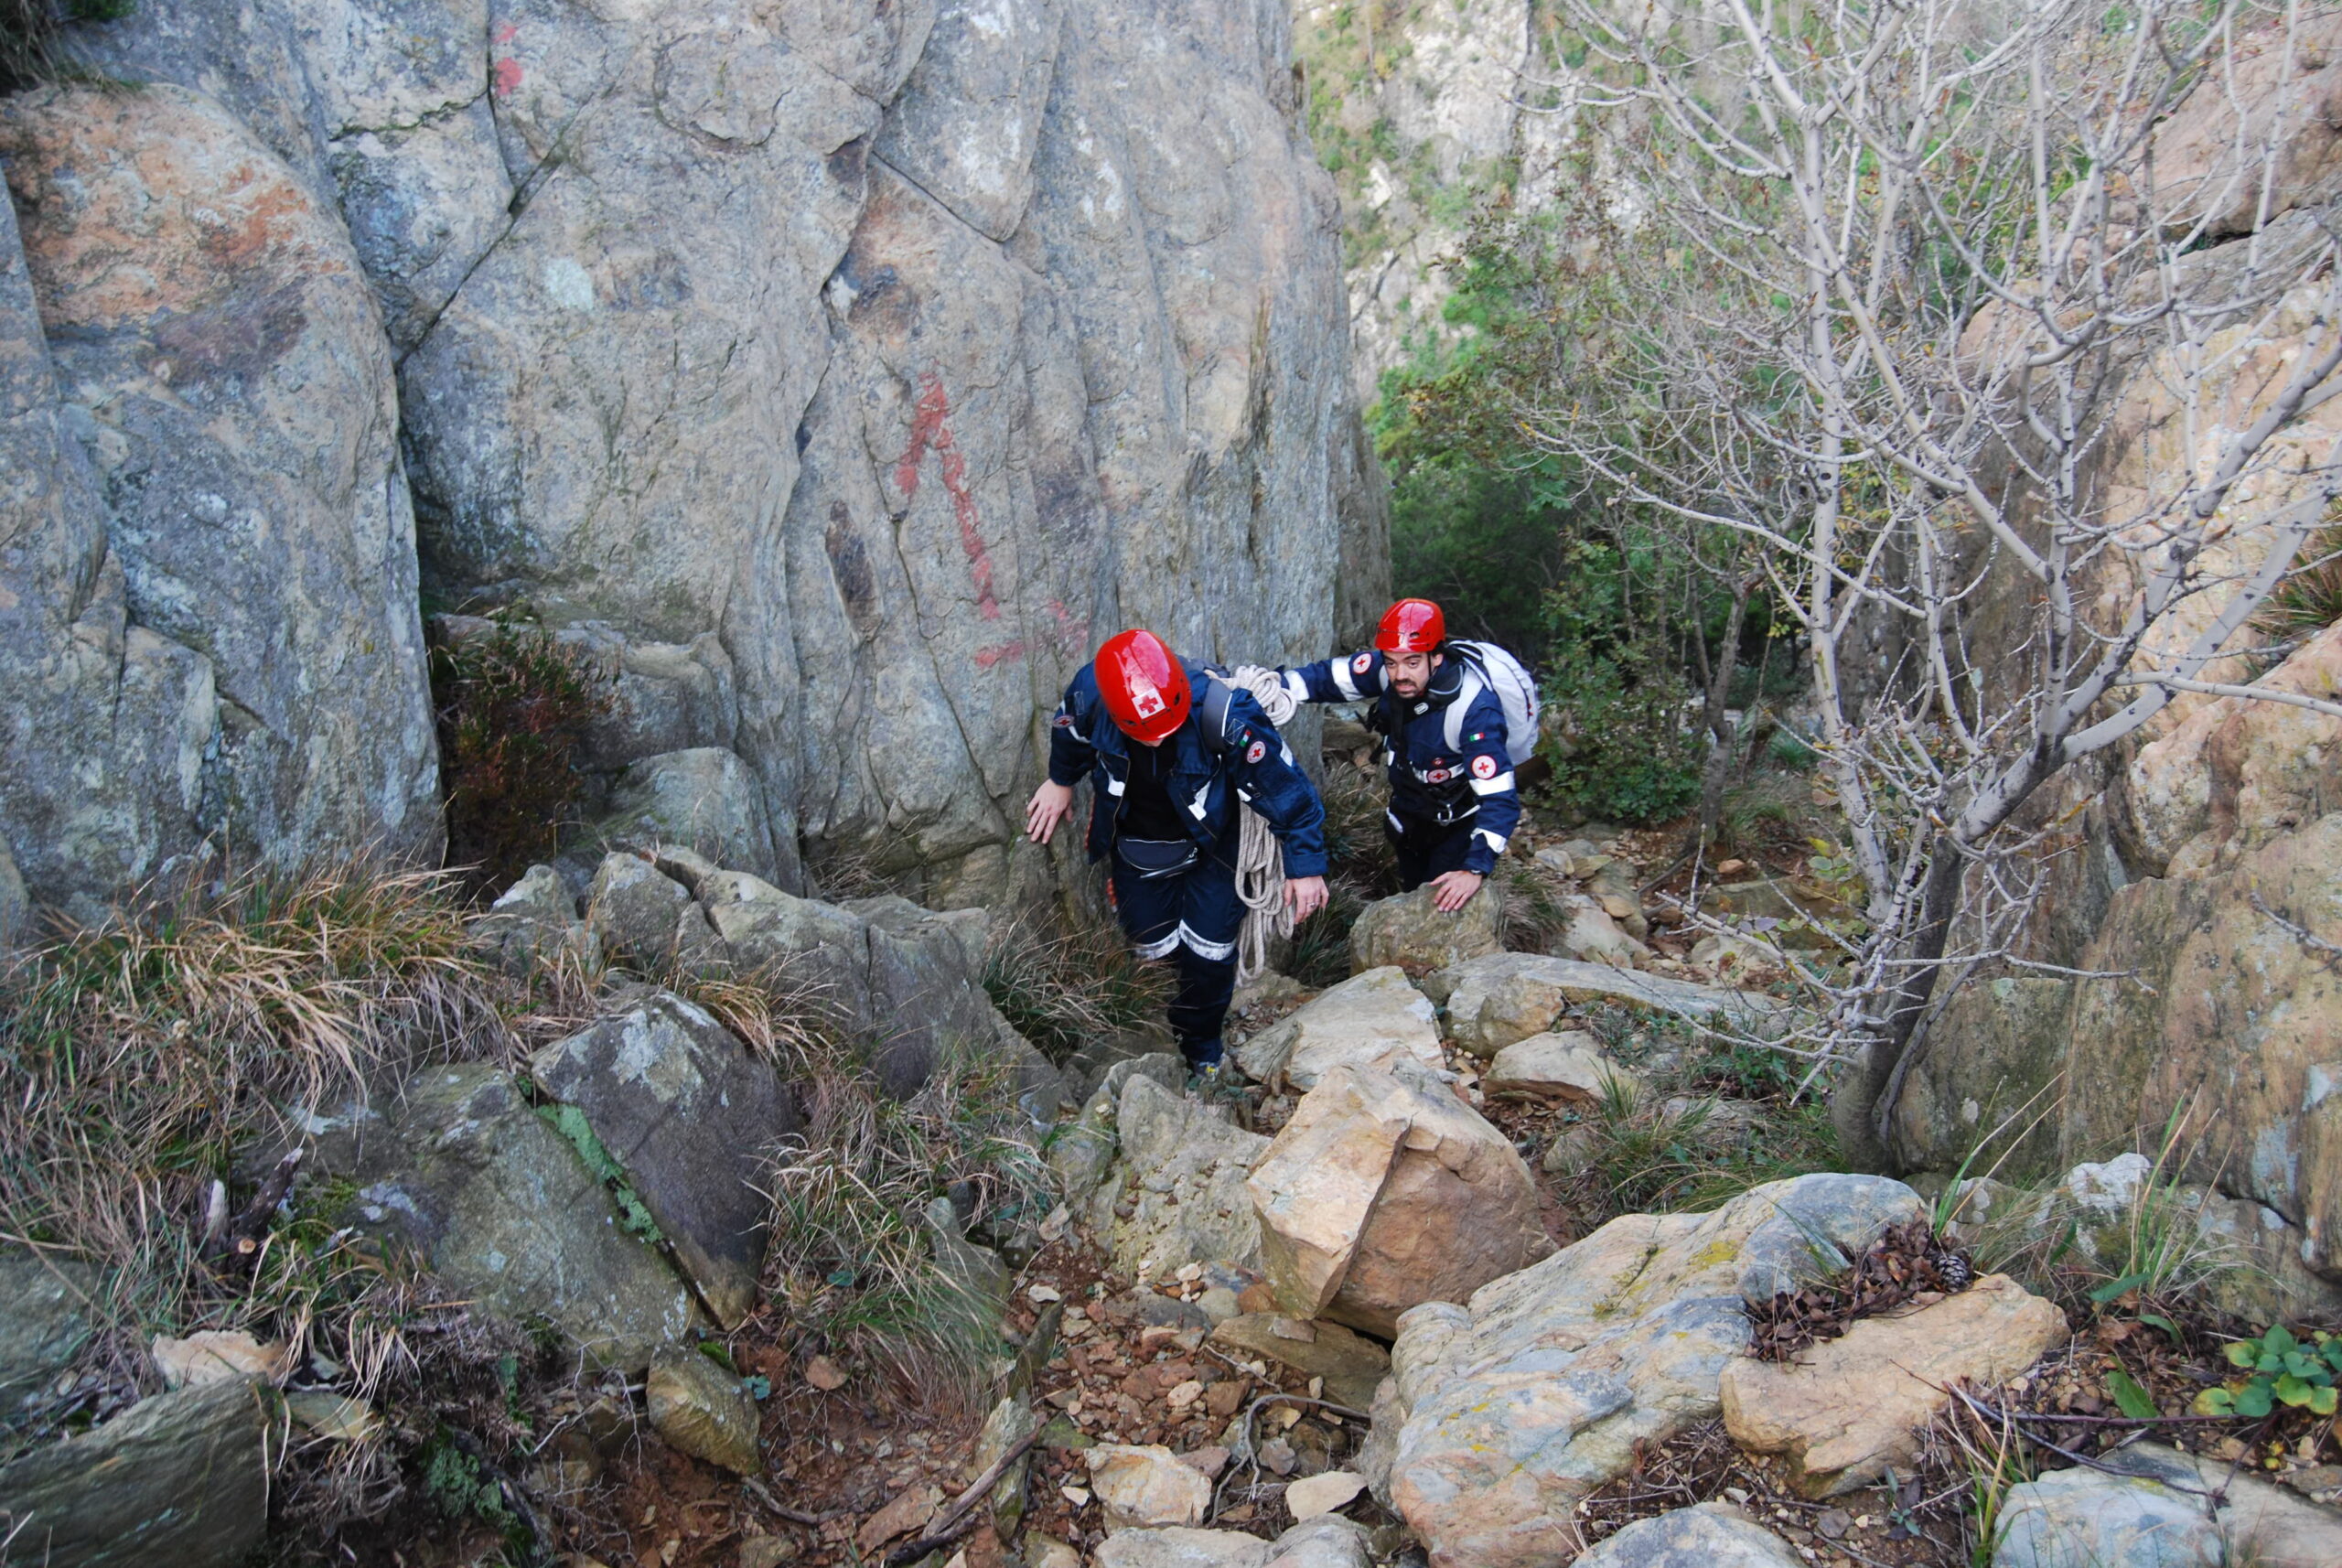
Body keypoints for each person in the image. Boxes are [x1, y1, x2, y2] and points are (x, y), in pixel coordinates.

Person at [1026, 628, 1331, 1080]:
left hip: (1215, 844)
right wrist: (1060, 780)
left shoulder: (1224, 712)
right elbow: (1070, 732)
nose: (1158, 741)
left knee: (1210, 951)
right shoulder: (1091, 693)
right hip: (1137, 842)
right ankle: (1160, 1033)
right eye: (1145, 735)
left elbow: (1283, 786)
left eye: (1166, 730)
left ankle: (1202, 1042)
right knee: (1152, 945)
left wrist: (1305, 866)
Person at [1279, 597, 1520, 912]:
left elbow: (1500, 799)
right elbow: (1328, 678)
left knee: (1436, 911)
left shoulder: (1475, 711)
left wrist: (1474, 868)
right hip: (1408, 814)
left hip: (1455, 828)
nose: (1399, 674)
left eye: (1411, 663)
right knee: (1410, 887)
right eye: (1391, 662)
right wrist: (1272, 686)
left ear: (1436, 656)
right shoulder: (1391, 668)